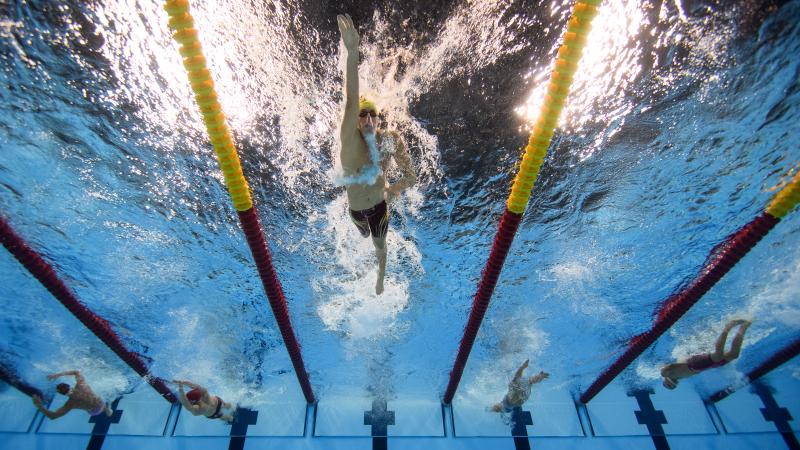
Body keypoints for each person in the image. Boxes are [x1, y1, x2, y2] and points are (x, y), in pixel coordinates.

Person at [336, 14, 417, 295]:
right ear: (357, 121)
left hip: (380, 205)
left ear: (379, 120)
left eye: (374, 115)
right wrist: (352, 53)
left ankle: (380, 278)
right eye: (363, 115)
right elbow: (350, 99)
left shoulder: (390, 140)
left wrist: (393, 189)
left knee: (380, 245)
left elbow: (412, 176)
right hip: (356, 209)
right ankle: (360, 251)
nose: (369, 120)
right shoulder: (349, 140)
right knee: (363, 234)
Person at [661, 319, 751, 390]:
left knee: (718, 354)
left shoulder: (665, 373)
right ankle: (744, 327)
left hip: (693, 364)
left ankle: (728, 326)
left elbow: (670, 366)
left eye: (671, 385)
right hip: (702, 367)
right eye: (674, 386)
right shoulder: (677, 378)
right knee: (734, 355)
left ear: (666, 381)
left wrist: (685, 363)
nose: (674, 384)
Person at [31, 370, 112, 419]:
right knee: (100, 398)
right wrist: (57, 374)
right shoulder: (81, 385)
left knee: (88, 409)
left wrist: (39, 405)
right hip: (100, 403)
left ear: (60, 393)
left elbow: (53, 416)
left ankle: (105, 409)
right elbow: (76, 372)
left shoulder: (70, 404)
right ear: (69, 386)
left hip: (95, 412)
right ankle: (107, 408)